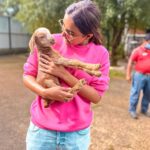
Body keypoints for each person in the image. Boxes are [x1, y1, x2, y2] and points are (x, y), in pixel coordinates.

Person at [23, 0, 110, 149]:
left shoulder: (100, 53)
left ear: (87, 36)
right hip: (42, 132)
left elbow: (96, 97)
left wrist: (64, 74)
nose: (63, 33)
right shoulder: (48, 41)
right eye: (63, 24)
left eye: (71, 33)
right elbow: (27, 75)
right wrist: (44, 92)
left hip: (75, 136)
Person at [126, 33, 150, 119]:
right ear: (145, 41)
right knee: (135, 92)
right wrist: (128, 74)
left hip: (149, 76)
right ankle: (132, 110)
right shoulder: (138, 50)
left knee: (148, 94)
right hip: (139, 75)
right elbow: (130, 62)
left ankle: (144, 109)